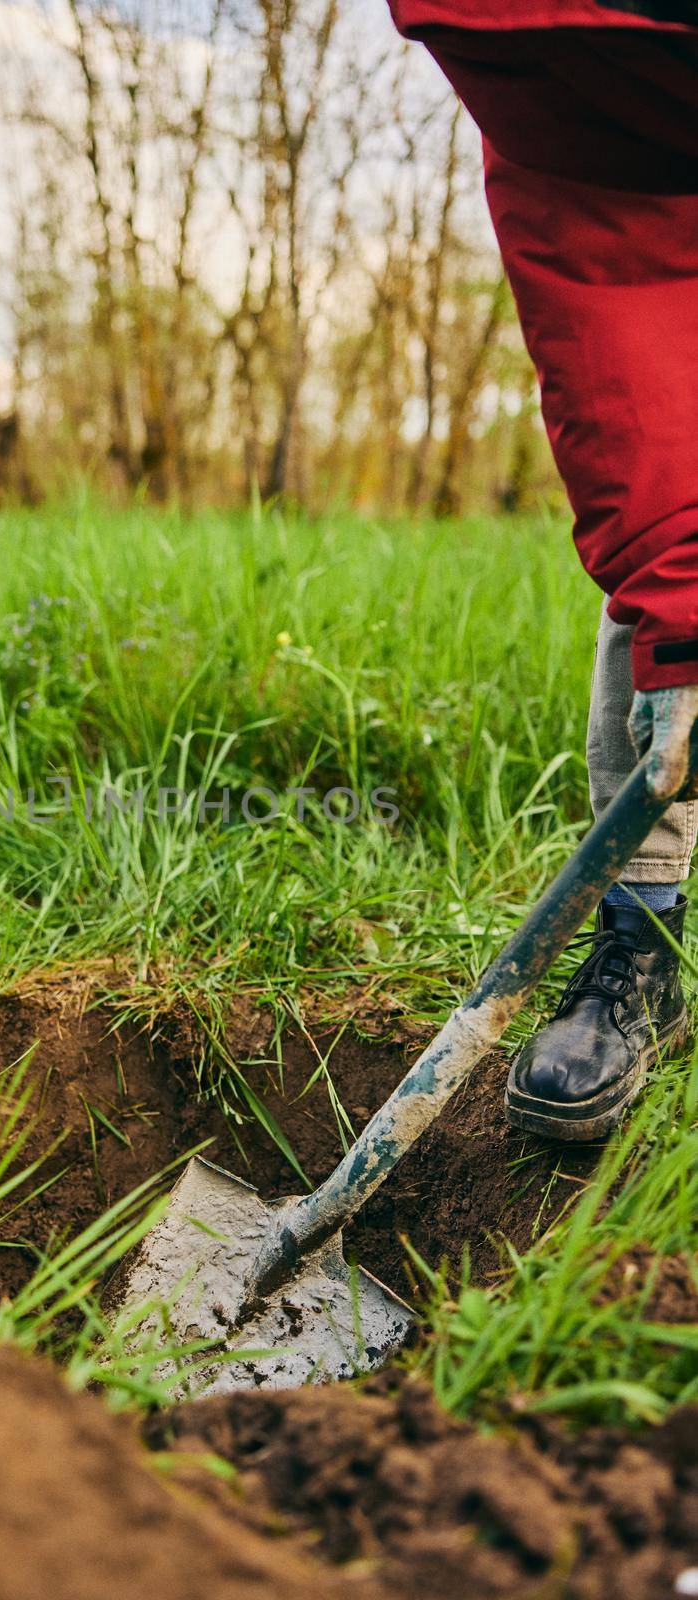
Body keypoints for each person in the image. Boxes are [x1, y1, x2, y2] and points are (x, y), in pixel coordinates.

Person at [387, 2, 698, 1139]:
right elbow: (633, 395)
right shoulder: (553, 71)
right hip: (619, 166)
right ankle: (641, 934)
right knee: (665, 587)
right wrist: (680, 621)